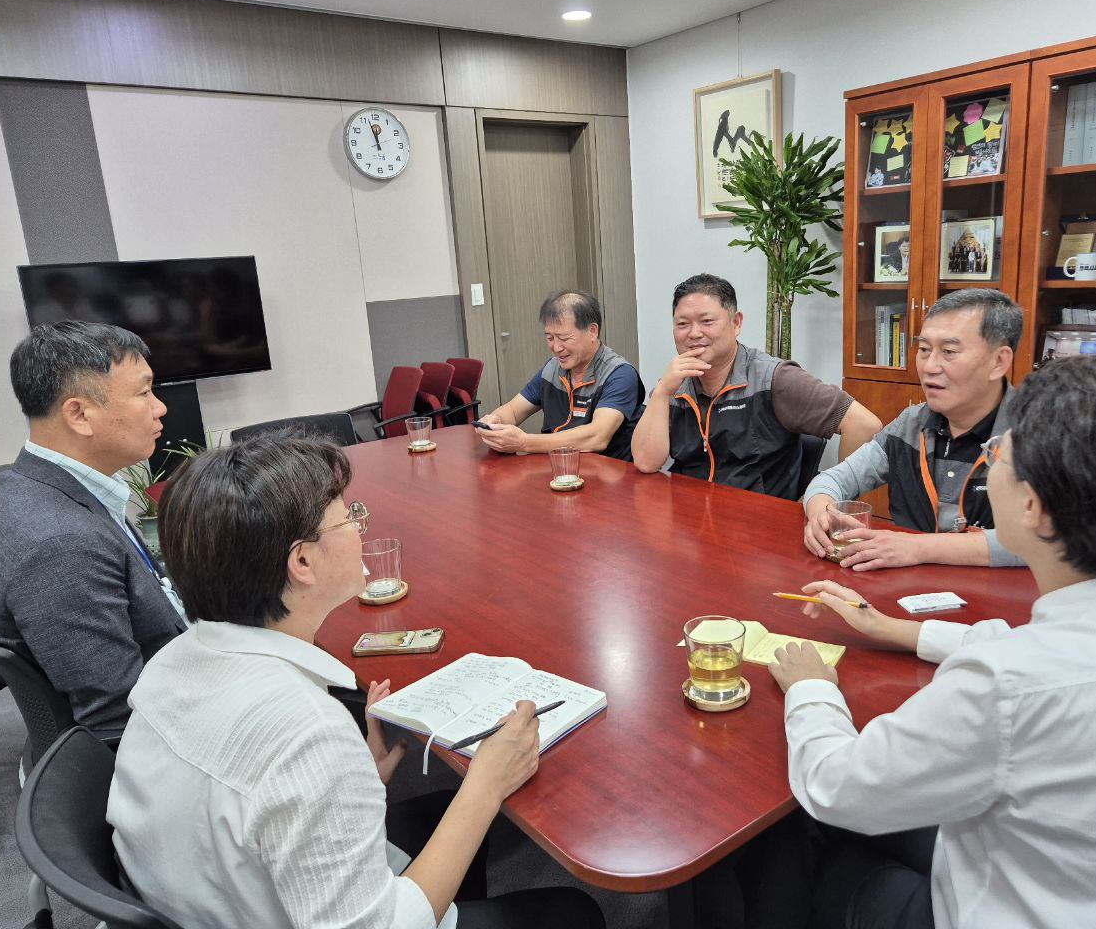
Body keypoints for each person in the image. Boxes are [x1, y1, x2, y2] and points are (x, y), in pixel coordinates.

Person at [768, 355, 1096, 928]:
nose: (991, 459)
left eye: (1000, 455)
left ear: (1035, 508)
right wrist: (896, 629)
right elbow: (1061, 652)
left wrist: (812, 688)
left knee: (795, 840)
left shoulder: (1005, 685)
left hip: (1009, 909)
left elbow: (836, 787)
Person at [108, 432, 604, 929]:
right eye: (348, 517)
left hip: (211, 896)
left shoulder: (170, 662)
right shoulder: (307, 731)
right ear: (303, 562)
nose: (361, 527)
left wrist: (353, 780)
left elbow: (250, 802)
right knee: (571, 912)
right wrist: (486, 785)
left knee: (443, 816)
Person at [0, 321, 185, 733]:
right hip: (165, 720)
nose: (160, 408)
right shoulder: (61, 543)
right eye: (144, 393)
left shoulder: (41, 486)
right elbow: (118, 718)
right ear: (79, 414)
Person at [802, 288, 1026, 570]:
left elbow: (1049, 538)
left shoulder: (1036, 433)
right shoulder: (912, 424)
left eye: (949, 351)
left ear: (999, 361)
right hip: (908, 586)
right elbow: (834, 480)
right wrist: (821, 512)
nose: (929, 366)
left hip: (994, 592)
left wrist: (918, 547)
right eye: (924, 349)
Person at [631, 273, 881, 501]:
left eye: (707, 321)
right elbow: (645, 462)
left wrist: (830, 498)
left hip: (758, 523)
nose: (694, 333)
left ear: (736, 323)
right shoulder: (675, 383)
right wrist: (662, 393)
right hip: (689, 517)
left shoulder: (774, 378)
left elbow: (863, 425)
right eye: (682, 324)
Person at [477, 290, 644, 461]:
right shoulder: (552, 369)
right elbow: (513, 410)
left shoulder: (619, 374)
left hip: (607, 471)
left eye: (564, 338)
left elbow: (597, 437)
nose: (556, 348)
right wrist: (495, 422)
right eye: (550, 338)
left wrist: (524, 442)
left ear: (592, 331)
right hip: (560, 468)